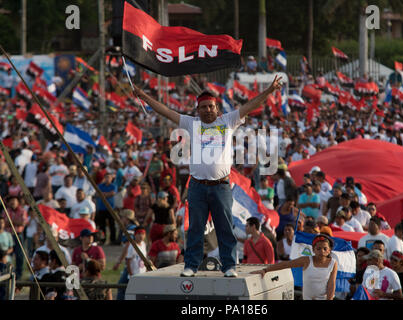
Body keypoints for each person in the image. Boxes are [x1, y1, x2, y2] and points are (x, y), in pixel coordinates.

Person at [135, 75, 283, 278]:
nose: (207, 110)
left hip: (221, 186)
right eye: (203, 107)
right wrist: (143, 96)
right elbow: (166, 111)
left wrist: (269, 90)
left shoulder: (228, 121)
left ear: (217, 109)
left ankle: (229, 266)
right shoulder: (191, 123)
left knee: (225, 227)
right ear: (198, 110)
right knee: (195, 227)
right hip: (197, 186)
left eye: (211, 106)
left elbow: (250, 105)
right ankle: (191, 265)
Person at [252, 234, 337, 300]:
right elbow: (286, 264)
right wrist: (265, 270)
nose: (322, 251)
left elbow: (331, 284)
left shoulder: (333, 263)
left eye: (325, 249)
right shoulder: (306, 260)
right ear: (313, 250)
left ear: (329, 250)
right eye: (318, 248)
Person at [1, 195, 28, 280]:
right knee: (6, 254)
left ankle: (18, 276)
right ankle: (5, 273)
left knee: (19, 255)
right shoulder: (6, 211)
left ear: (18, 202)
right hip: (8, 235)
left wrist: (11, 222)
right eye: (11, 201)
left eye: (14, 200)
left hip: (18, 235)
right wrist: (16, 222)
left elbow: (23, 222)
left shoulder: (22, 211)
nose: (13, 202)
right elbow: (3, 222)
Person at [95, 172, 117, 244]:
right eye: (106, 177)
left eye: (109, 177)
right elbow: (97, 194)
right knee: (102, 225)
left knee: (112, 225)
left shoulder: (113, 186)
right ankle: (102, 240)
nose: (108, 179)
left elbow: (112, 193)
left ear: (111, 179)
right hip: (102, 208)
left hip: (111, 208)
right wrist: (106, 194)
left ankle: (113, 240)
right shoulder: (100, 186)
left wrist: (103, 194)